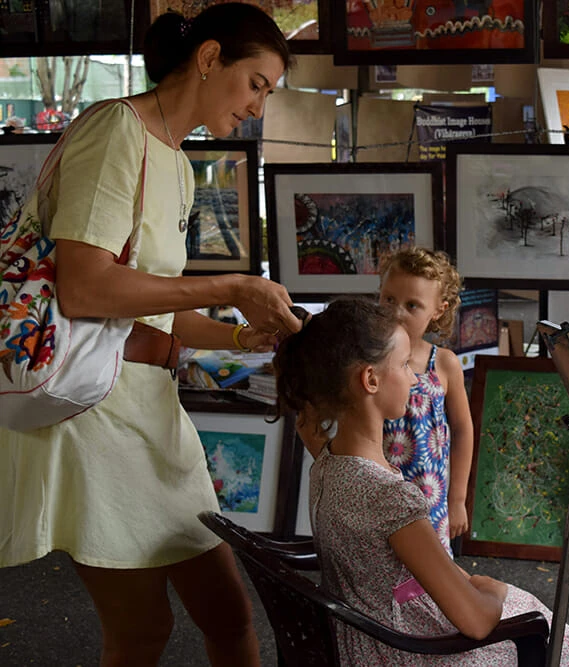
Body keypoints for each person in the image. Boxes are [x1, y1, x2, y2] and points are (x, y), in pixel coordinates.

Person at [0, 5, 302, 666]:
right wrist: (229, 287)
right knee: (142, 628)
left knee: (227, 613)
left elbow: (151, 310)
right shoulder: (118, 131)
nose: (258, 105)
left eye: (268, 93)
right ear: (208, 58)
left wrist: (238, 334)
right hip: (96, 415)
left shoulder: (180, 165)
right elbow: (86, 288)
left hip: (149, 412)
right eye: (256, 83)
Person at [274, 298, 569, 666]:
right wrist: (491, 592)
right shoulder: (388, 497)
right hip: (397, 650)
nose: (414, 378)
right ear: (370, 379)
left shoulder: (328, 464)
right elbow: (476, 622)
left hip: (359, 634)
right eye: (403, 365)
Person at [379, 247, 473, 555]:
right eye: (389, 299)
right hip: (377, 494)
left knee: (430, 579)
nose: (396, 312)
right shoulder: (366, 358)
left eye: (412, 305)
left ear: (438, 310)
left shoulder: (444, 364)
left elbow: (462, 431)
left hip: (428, 501)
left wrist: (457, 500)